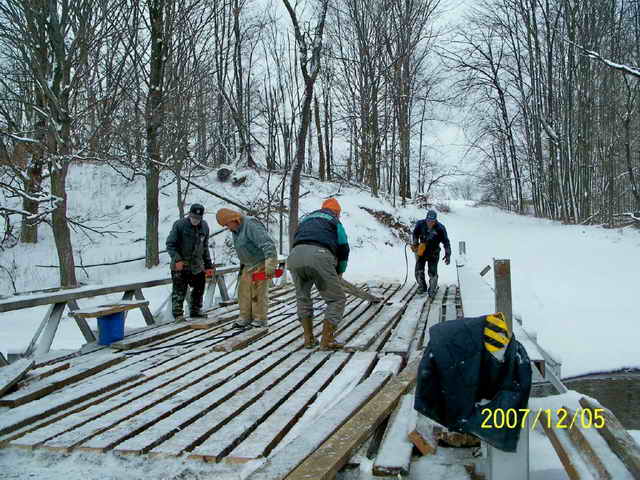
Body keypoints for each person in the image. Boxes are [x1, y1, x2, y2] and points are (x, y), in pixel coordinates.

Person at [287, 198, 349, 350]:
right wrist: (340, 271)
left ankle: (308, 339)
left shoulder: (307, 218)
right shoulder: (334, 221)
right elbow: (343, 247)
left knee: (303, 297)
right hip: (318, 256)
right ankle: (327, 341)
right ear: (337, 212)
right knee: (337, 299)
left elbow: (297, 238)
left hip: (294, 256)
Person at [216, 208, 278, 328]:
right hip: (247, 265)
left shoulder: (251, 225)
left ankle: (260, 318)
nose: (228, 228)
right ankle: (245, 316)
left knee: (258, 292)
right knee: (243, 292)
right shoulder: (236, 230)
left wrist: (270, 263)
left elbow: (267, 243)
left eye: (227, 224)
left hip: (260, 263)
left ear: (234, 219)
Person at [166, 203, 215, 321]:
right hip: (181, 265)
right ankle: (178, 314)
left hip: (197, 265)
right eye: (193, 217)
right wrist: (177, 259)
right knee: (179, 290)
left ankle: (196, 310)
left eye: (198, 218)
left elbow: (205, 247)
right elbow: (170, 244)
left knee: (199, 288)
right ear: (189, 215)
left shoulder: (204, 227)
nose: (195, 220)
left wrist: (208, 265)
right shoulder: (179, 225)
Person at [412, 209, 451, 297]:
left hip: (434, 252)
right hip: (421, 251)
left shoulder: (440, 228)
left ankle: (432, 290)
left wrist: (448, 254)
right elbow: (415, 233)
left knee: (432, 273)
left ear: (435, 220)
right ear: (426, 219)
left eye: (432, 221)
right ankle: (422, 287)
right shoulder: (420, 224)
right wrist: (415, 242)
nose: (430, 223)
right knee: (418, 270)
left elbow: (446, 242)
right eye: (428, 220)